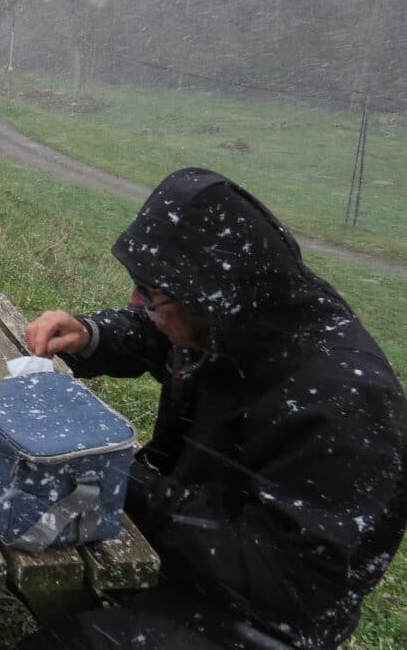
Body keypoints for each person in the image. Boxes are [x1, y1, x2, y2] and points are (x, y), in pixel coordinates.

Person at [20, 168, 407, 650]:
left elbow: (292, 585)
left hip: (263, 622)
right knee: (25, 509)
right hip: (192, 546)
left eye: (152, 293)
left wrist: (127, 482)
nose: (138, 302)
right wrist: (90, 334)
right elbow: (173, 340)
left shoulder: (343, 402)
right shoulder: (242, 313)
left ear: (209, 296)